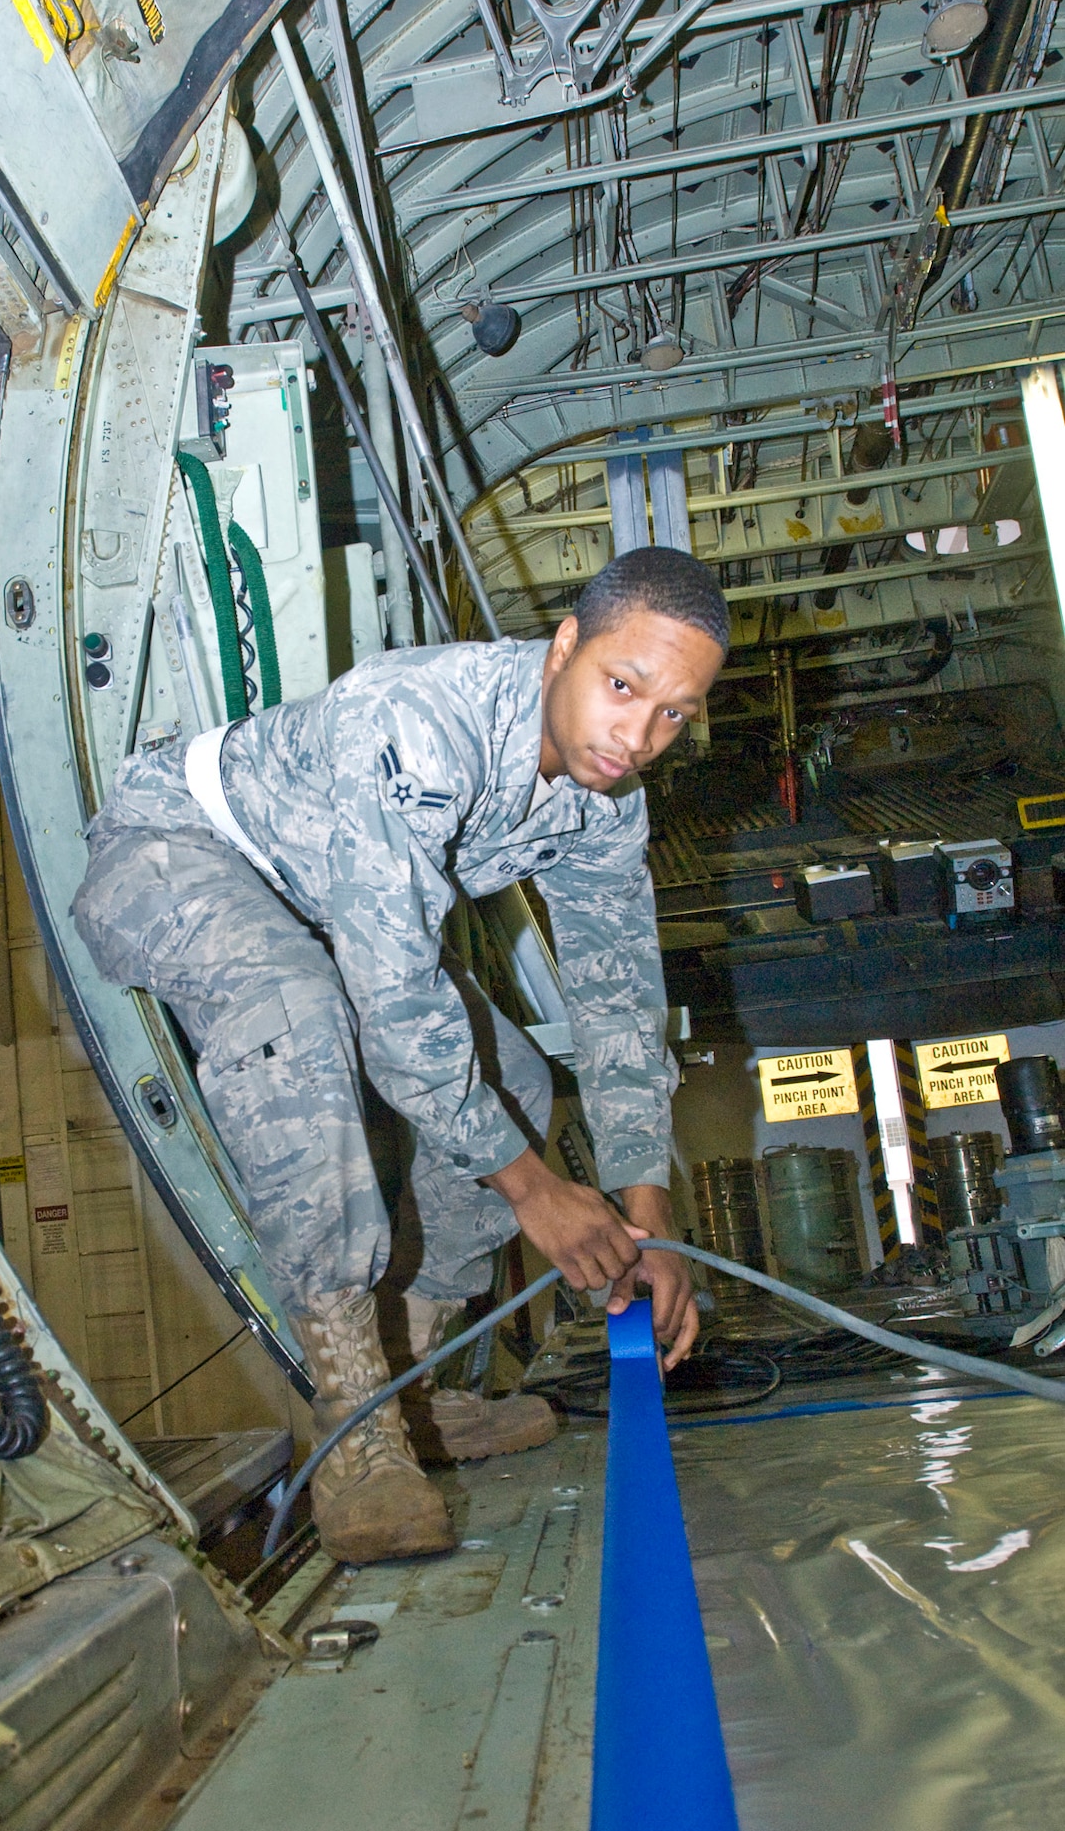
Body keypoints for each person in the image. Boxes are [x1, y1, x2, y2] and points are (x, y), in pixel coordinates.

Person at [73, 545, 728, 1563]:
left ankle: (412, 1398)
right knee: (296, 1013)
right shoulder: (421, 722)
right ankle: (356, 1431)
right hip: (175, 852)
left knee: (507, 1079)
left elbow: (616, 999)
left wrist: (650, 1217)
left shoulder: (605, 799)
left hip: (314, 903)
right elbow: (392, 998)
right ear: (566, 645)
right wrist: (534, 1192)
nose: (638, 736)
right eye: (622, 685)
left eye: (673, 712)